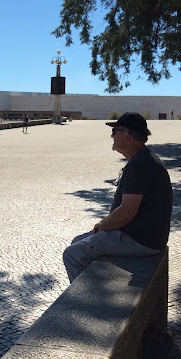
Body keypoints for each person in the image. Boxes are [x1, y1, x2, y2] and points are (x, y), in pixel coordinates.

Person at [62, 112, 173, 283]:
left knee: (72, 254)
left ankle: (91, 303)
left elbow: (127, 212)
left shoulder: (140, 164)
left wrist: (101, 227)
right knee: (77, 241)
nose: (112, 135)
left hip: (140, 240)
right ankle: (93, 287)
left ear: (126, 134)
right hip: (143, 236)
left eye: (115, 131)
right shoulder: (143, 159)